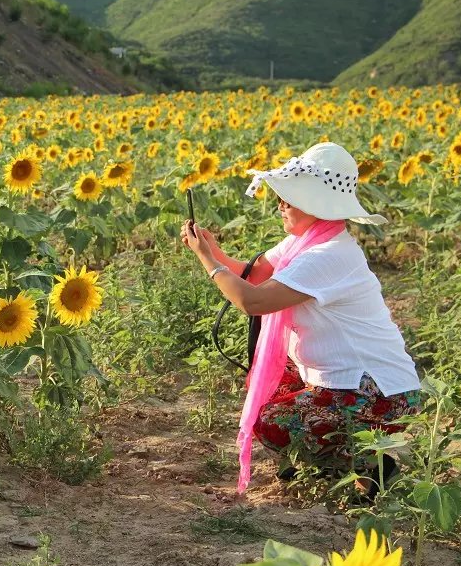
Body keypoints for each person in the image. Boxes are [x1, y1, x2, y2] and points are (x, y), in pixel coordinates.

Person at [180, 142, 420, 493]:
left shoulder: (326, 254)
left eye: (288, 200)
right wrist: (213, 252)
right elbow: (254, 275)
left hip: (381, 392)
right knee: (268, 384)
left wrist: (209, 262)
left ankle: (369, 465)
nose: (280, 205)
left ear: (314, 206)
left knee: (273, 420)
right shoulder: (306, 243)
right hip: (355, 378)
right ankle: (324, 458)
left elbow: (252, 301)